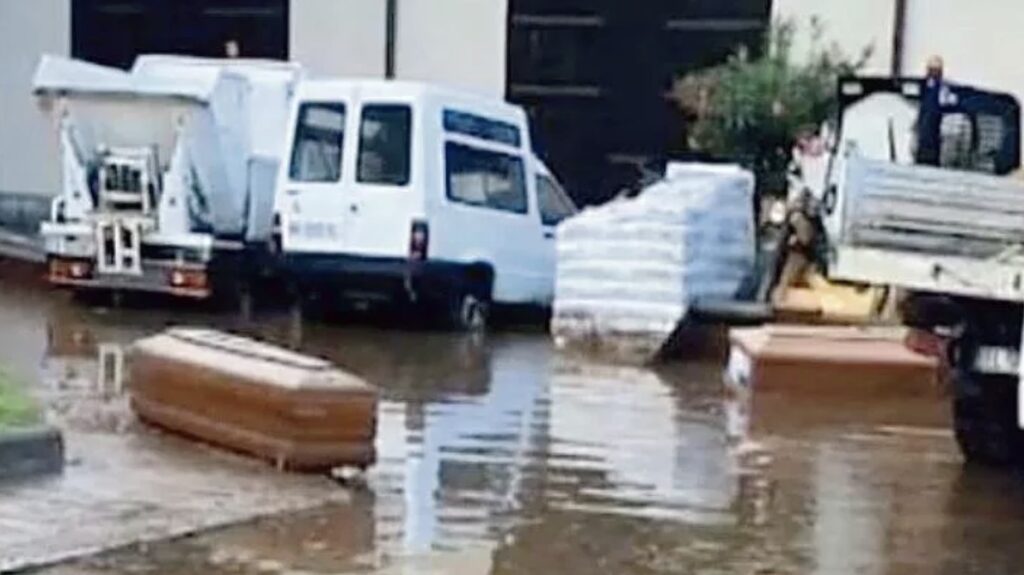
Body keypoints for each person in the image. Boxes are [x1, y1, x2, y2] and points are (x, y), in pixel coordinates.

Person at [915, 55, 945, 166]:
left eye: (936, 70)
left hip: (933, 136)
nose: (933, 73)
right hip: (923, 136)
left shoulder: (943, 89)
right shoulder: (922, 86)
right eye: (931, 70)